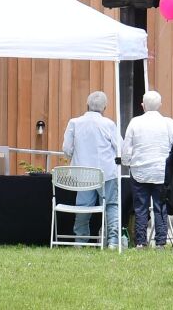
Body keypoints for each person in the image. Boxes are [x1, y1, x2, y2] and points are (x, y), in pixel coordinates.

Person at [121, 90, 173, 248]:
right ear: (160, 105)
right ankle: (161, 242)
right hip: (161, 172)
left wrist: (127, 162)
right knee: (160, 207)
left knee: (140, 207)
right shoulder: (170, 123)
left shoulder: (135, 122)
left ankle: (140, 242)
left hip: (139, 171)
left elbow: (127, 147)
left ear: (143, 105)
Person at [63, 91, 121, 248]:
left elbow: (67, 149)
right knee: (111, 205)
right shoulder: (109, 124)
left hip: (83, 174)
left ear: (87, 105)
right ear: (105, 108)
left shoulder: (74, 123)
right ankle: (113, 241)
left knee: (83, 207)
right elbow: (120, 149)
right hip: (106, 174)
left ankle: (80, 241)